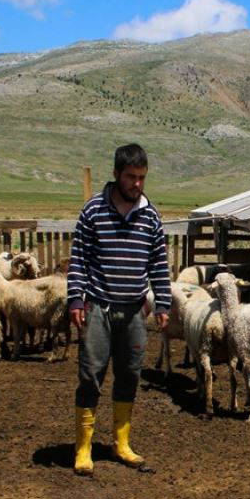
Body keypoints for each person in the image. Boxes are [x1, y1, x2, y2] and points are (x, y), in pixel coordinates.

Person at [67, 143, 171, 476]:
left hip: (133, 309)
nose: (137, 184)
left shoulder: (150, 216)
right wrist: (75, 299)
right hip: (98, 305)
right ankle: (84, 446)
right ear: (116, 174)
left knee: (130, 374)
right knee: (91, 375)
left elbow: (158, 263)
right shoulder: (94, 210)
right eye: (131, 177)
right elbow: (79, 259)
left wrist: (164, 302)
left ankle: (120, 443)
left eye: (142, 178)